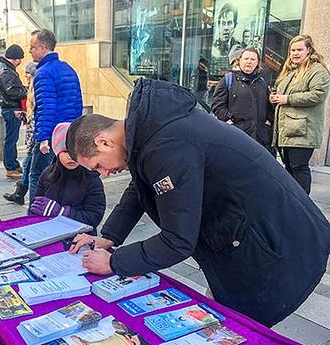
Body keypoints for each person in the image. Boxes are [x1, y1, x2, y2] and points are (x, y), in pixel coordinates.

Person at [65, 78, 330, 327]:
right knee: (219, 313)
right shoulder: (147, 131)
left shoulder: (165, 145)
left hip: (278, 240)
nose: (103, 173)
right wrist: (109, 237)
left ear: (103, 141)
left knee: (240, 330)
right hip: (247, 228)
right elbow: (140, 187)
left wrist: (114, 262)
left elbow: (177, 242)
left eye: (98, 165)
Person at [28, 28, 83, 204]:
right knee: (64, 173)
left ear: (43, 48)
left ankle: (35, 214)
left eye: (32, 47)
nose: (30, 51)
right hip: (69, 132)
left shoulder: (43, 73)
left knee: (38, 175)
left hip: (52, 133)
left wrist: (43, 138)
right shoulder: (68, 69)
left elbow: (46, 107)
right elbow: (78, 103)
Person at [270, 34, 330, 194]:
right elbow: (282, 93)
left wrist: (286, 98)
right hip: (289, 130)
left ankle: (304, 206)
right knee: (290, 167)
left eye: (299, 50)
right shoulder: (292, 71)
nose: (295, 53)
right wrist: (276, 96)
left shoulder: (318, 71)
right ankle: (294, 203)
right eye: (292, 50)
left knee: (299, 168)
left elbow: (318, 94)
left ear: (309, 50)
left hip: (303, 130)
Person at [30, 123, 105, 235]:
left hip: (79, 237)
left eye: (75, 151)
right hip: (50, 233)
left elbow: (94, 217)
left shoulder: (91, 178)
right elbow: (36, 206)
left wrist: (64, 212)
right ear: (57, 152)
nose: (71, 157)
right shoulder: (47, 174)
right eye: (66, 152)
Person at [210, 48, 275, 155]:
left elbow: (267, 107)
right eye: (246, 58)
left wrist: (267, 123)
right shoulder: (228, 79)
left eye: (253, 59)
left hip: (260, 137)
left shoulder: (261, 82)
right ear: (239, 61)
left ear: (257, 63)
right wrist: (228, 120)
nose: (249, 62)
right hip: (237, 135)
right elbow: (217, 104)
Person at [4, 61, 39, 204]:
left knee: (31, 169)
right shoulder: (31, 88)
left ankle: (31, 200)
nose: (25, 75)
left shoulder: (37, 89)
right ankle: (20, 195)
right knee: (27, 166)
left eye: (28, 73)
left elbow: (37, 116)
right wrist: (25, 115)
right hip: (33, 134)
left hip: (36, 136)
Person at [0, 44, 28, 179]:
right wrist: (25, 91)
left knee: (12, 138)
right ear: (15, 58)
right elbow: (11, 91)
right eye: (19, 59)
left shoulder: (5, 68)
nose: (20, 62)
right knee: (11, 138)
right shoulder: (5, 71)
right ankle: (10, 167)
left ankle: (13, 164)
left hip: (11, 107)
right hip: (11, 108)